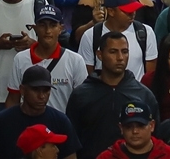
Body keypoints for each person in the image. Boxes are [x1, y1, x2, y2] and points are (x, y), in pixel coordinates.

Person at [66, 30, 160, 159]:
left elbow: (155, 140)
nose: (120, 57)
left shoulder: (144, 95)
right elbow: (70, 142)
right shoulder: (81, 95)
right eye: (113, 52)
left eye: (125, 51)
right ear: (100, 54)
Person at [7, 2, 87, 113]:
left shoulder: (75, 61)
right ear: (35, 28)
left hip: (61, 127)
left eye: (53, 25)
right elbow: (13, 99)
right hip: (29, 127)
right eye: (42, 25)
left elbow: (82, 102)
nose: (48, 31)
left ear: (60, 29)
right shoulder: (20, 59)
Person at [0, 65, 81, 159]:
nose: (42, 96)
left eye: (46, 90)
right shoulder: (2, 121)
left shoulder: (61, 121)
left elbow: (70, 156)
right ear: (22, 90)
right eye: (36, 90)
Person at [78, 0, 158, 81]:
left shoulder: (146, 32)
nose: (133, 14)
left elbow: (149, 78)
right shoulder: (91, 36)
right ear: (111, 11)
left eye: (134, 9)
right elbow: (87, 78)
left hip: (136, 95)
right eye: (127, 11)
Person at [96, 102, 170, 159]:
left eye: (141, 126)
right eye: (129, 127)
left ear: (152, 126)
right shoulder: (106, 157)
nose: (135, 131)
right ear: (121, 128)